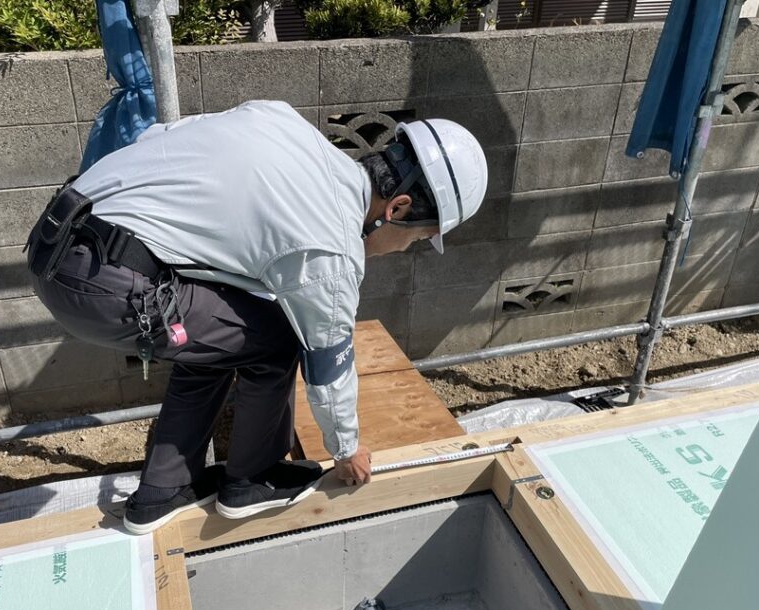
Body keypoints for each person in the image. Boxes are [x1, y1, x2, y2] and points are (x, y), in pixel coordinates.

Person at [25, 100, 487, 534]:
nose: (403, 250)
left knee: (222, 334)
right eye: (416, 239)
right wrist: (346, 450)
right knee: (280, 336)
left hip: (61, 236)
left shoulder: (282, 121)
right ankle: (253, 479)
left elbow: (159, 136)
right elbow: (328, 363)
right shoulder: (331, 245)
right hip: (100, 279)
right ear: (397, 209)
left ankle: (164, 490)